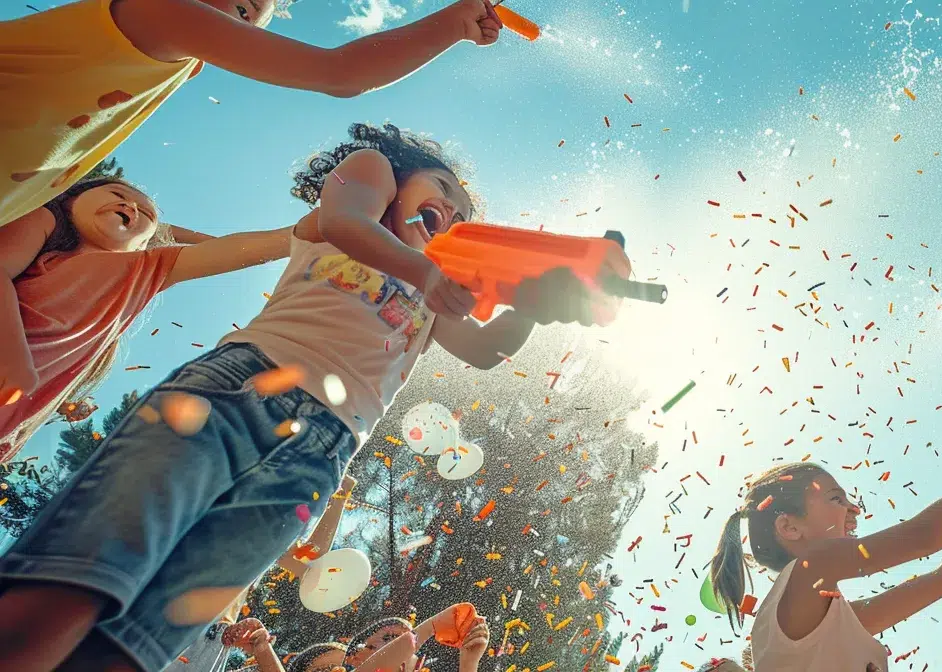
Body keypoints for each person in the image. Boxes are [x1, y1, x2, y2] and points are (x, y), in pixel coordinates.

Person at [0, 122, 598, 672]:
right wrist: (428, 275)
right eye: (441, 188)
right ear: (396, 178)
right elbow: (346, 222)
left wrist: (536, 308)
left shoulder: (431, 279)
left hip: (323, 452)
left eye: (463, 213)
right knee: (76, 580)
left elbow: (484, 349)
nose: (453, 209)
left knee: (146, 640)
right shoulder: (360, 197)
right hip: (241, 391)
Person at [0, 0, 504, 226]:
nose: (233, 23)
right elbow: (341, 73)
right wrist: (456, 22)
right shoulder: (155, 10)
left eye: (246, 14)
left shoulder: (172, 64)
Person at [706, 427, 942, 672]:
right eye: (837, 499)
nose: (853, 509)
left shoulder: (834, 621)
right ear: (789, 526)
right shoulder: (809, 567)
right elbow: (926, 535)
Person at [0, 177, 292, 463]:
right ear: (72, 197)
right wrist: (14, 356)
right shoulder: (45, 221)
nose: (131, 206)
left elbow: (230, 251)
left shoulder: (144, 271)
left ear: (145, 243)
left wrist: (306, 235)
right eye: (116, 192)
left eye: (146, 213)